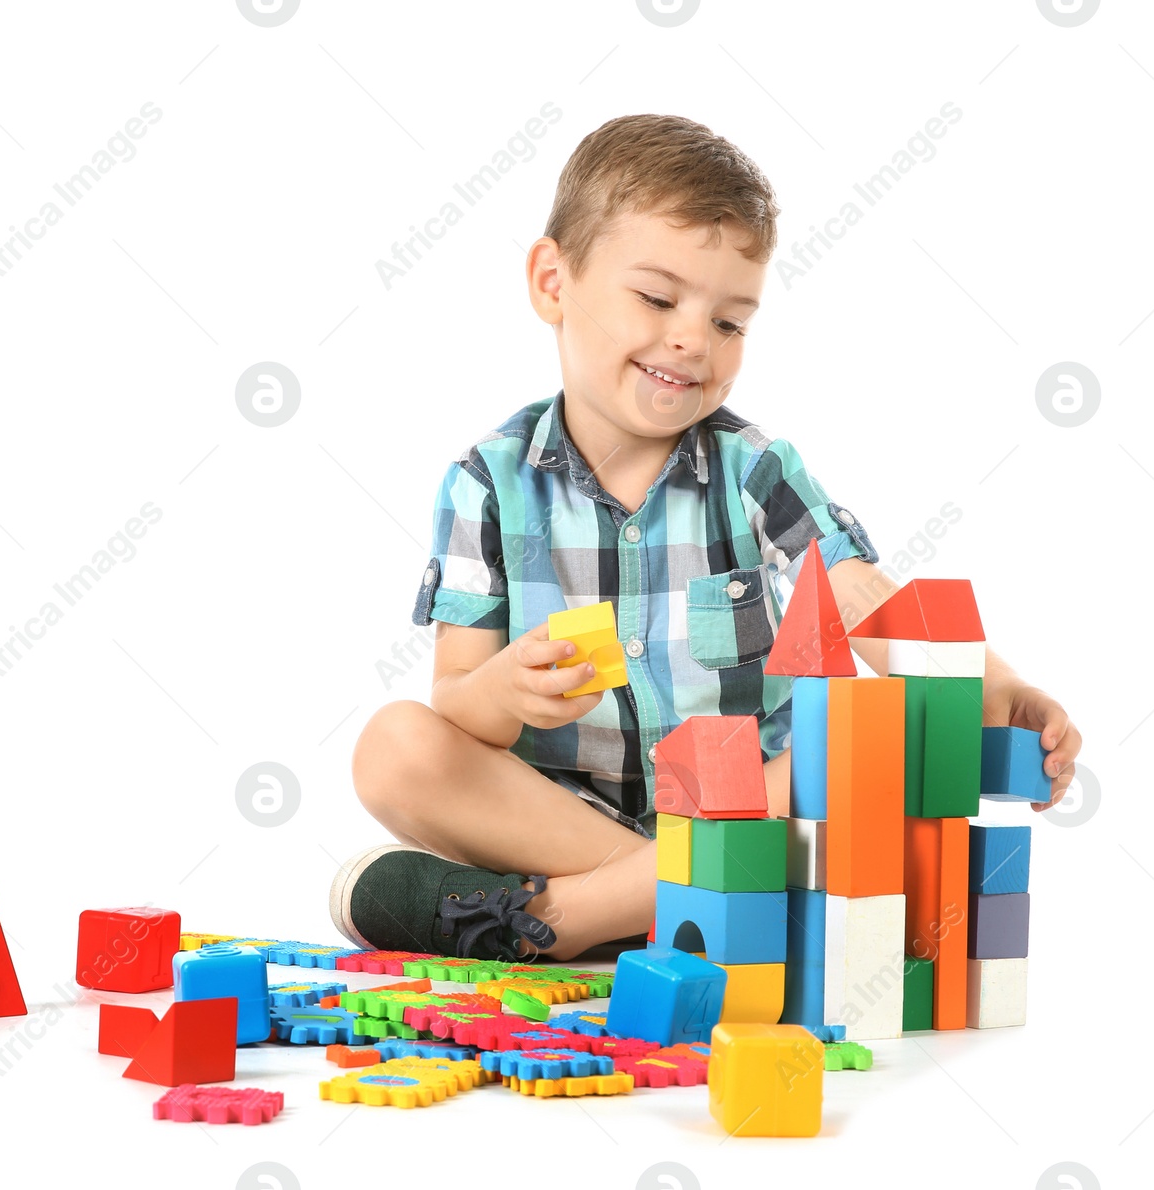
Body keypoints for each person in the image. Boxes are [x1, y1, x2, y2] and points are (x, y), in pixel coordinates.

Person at [328, 113, 1081, 965]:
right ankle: (666, 897)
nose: (693, 339)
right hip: (562, 822)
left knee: (878, 740)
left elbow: (866, 597)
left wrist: (1000, 685)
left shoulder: (754, 467)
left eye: (730, 323)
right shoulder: (487, 484)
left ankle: (565, 920)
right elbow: (458, 696)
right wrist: (505, 692)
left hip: (751, 807)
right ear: (552, 282)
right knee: (393, 746)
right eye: (657, 298)